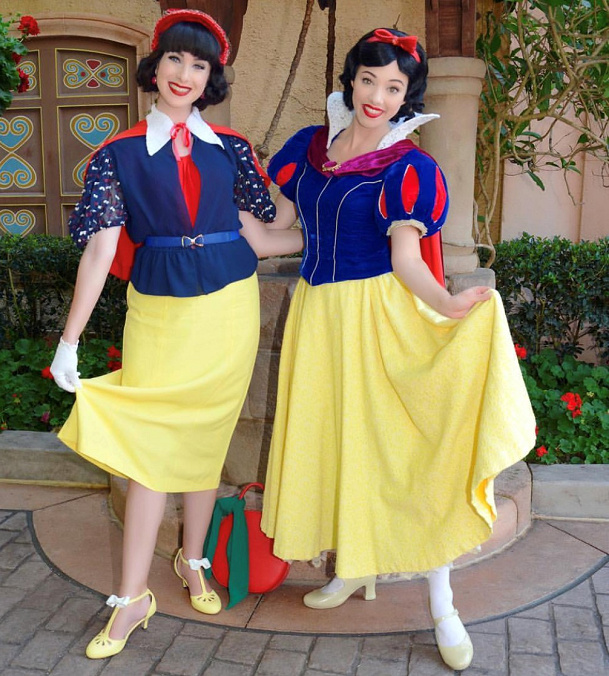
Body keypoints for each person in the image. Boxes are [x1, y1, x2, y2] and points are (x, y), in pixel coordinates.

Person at [260, 28, 535, 671]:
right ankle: (353, 567)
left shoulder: (408, 167)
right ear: (351, 80)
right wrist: (208, 215)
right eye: (368, 80)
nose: (377, 97)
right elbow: (281, 236)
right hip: (317, 319)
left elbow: (408, 260)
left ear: (407, 95)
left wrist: (447, 304)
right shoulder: (310, 150)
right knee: (337, 446)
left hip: (378, 318)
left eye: (393, 87)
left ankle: (442, 604)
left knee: (405, 455)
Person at [50, 9, 302, 660]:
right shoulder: (116, 155)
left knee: (206, 440)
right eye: (175, 59)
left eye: (199, 64)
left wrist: (336, 222)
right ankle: (131, 597)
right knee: (150, 454)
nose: (185, 74)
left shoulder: (234, 149)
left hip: (229, 308)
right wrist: (69, 340)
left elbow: (262, 236)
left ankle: (193, 562)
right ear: (154, 66)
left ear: (211, 77)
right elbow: (100, 251)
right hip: (159, 314)